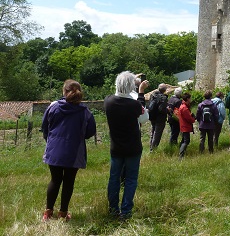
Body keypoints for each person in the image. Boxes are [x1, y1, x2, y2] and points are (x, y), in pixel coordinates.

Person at [41, 79, 96, 222]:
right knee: (68, 182)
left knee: (55, 180)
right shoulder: (85, 112)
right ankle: (63, 213)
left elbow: (45, 128)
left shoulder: (52, 107)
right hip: (74, 152)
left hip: (54, 150)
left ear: (64, 91)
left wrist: (51, 141)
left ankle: (48, 212)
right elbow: (90, 132)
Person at [104, 71, 149, 220]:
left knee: (114, 178)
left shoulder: (108, 101)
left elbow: (118, 93)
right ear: (132, 86)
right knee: (130, 180)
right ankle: (126, 212)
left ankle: (113, 210)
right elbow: (144, 118)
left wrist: (125, 79)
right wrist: (141, 93)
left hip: (116, 147)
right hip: (133, 147)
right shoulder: (134, 104)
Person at [148, 83, 169, 151]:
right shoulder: (164, 97)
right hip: (160, 118)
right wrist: (167, 110)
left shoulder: (153, 95)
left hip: (152, 116)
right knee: (157, 134)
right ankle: (153, 149)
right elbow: (161, 109)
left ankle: (151, 146)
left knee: (153, 132)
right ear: (165, 90)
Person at [179, 92, 196, 158]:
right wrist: (193, 118)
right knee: (186, 141)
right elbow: (189, 118)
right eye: (190, 98)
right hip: (185, 126)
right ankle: (181, 156)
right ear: (188, 99)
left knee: (184, 140)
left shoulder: (183, 106)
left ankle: (181, 152)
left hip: (183, 126)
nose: (191, 99)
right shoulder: (184, 108)